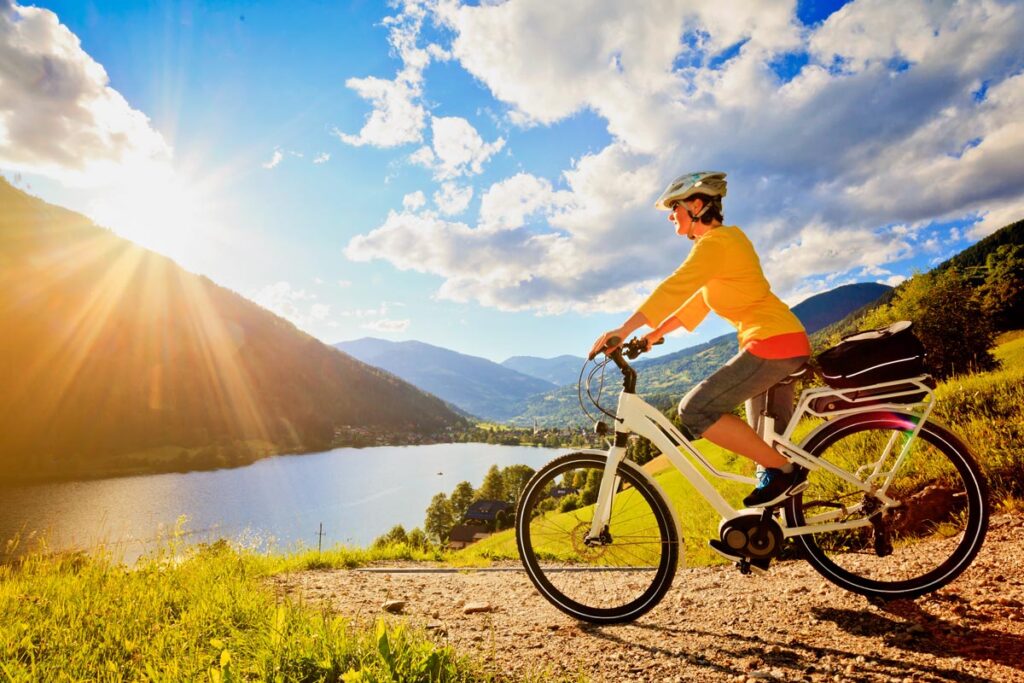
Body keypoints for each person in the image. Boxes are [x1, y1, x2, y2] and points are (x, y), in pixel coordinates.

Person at [589, 171, 811, 514]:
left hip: (771, 343)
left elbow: (674, 286)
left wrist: (623, 327)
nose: (669, 215)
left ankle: (787, 474)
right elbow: (696, 302)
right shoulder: (725, 247)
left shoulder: (716, 243)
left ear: (696, 205)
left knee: (695, 410)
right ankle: (781, 527)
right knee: (765, 449)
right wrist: (652, 335)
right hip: (780, 342)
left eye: (674, 207)